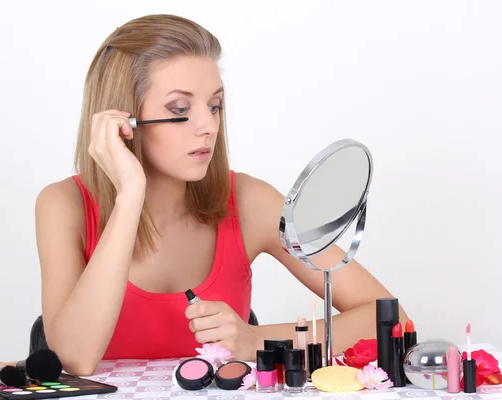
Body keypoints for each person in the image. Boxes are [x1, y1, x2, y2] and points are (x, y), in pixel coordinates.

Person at [34, 13, 408, 376]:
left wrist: (254, 339)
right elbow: (75, 360)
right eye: (180, 110)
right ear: (123, 119)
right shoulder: (62, 206)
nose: (208, 126)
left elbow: (389, 317)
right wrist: (129, 195)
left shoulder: (248, 201)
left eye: (214, 106)